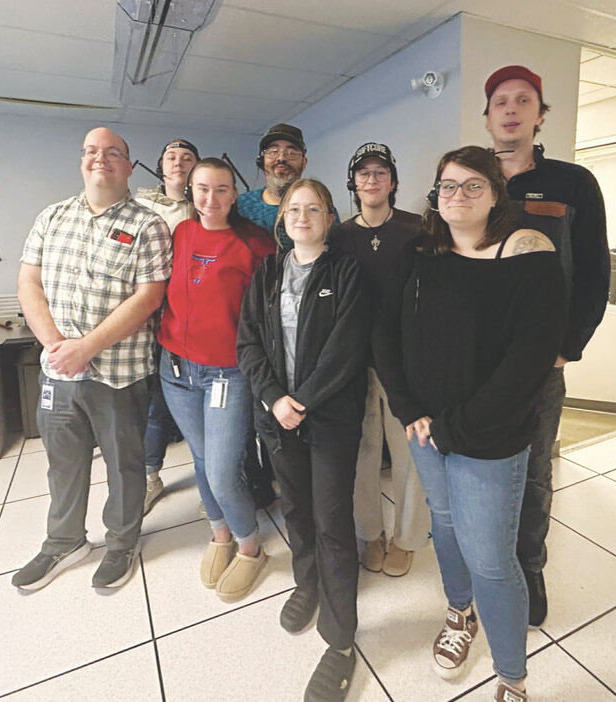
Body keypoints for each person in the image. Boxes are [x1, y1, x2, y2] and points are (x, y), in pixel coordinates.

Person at [374, 146, 566, 702]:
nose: (457, 195)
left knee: (492, 560)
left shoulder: (529, 253)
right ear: (435, 197)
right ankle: (460, 613)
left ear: (496, 193)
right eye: (447, 186)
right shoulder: (421, 253)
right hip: (425, 431)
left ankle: (511, 678)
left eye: (472, 185)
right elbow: (383, 331)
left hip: (490, 437)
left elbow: (529, 361)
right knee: (446, 526)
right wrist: (407, 407)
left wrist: (455, 427)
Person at [13, 127, 171, 592]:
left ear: (129, 166)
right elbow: (28, 284)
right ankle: (64, 541)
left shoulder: (148, 225)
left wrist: (87, 347)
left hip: (119, 374)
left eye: (112, 152)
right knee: (63, 462)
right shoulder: (51, 217)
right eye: (91, 151)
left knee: (125, 464)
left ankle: (122, 542)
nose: (100, 158)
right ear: (82, 161)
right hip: (58, 371)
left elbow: (148, 297)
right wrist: (56, 346)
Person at [483, 65, 610, 627]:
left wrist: (567, 348)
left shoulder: (572, 183)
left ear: (540, 115)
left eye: (523, 100)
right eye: (500, 102)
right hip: (477, 358)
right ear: (487, 117)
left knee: (533, 469)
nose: (511, 110)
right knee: (479, 465)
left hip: (540, 360)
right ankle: (485, 560)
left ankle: (529, 565)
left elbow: (595, 273)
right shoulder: (468, 181)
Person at [237, 179, 371, 702]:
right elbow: (248, 342)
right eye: (293, 208)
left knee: (332, 521)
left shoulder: (347, 272)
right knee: (295, 508)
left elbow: (347, 349)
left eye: (313, 208)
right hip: (278, 418)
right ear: (282, 219)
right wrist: (275, 399)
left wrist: (304, 401)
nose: (302, 215)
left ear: (329, 218)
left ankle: (340, 641)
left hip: (329, 417)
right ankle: (308, 582)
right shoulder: (267, 273)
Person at [156, 158, 276, 601]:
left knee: (224, 471)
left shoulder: (256, 244)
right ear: (191, 191)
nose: (211, 198)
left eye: (221, 189)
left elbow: (270, 313)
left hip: (228, 372)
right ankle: (220, 534)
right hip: (175, 369)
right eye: (202, 189)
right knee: (202, 460)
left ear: (234, 194)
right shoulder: (181, 234)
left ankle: (250, 547)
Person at [329, 142, 429, 577]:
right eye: (364, 173)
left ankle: (406, 538)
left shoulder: (415, 229)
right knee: (361, 455)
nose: (372, 180)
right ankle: (370, 533)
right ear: (353, 183)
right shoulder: (338, 236)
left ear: (393, 181)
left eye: (380, 172)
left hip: (406, 364)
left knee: (410, 456)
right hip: (354, 363)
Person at [134, 138, 200, 514]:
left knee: (206, 405)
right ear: (161, 165)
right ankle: (150, 476)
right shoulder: (143, 207)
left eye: (187, 157)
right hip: (155, 322)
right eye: (172, 157)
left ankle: (216, 479)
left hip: (198, 320)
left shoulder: (207, 205)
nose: (179, 163)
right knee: (158, 403)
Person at [237, 123, 339, 250]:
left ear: (304, 162)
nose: (281, 158)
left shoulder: (321, 207)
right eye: (273, 151)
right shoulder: (241, 206)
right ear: (262, 160)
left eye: (291, 153)